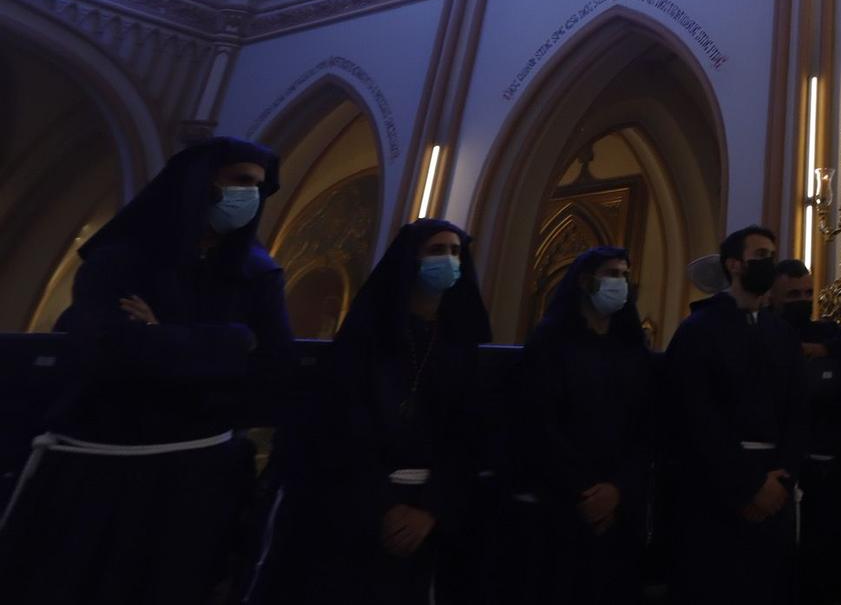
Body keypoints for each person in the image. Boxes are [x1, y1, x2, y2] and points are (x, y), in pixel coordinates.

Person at [0, 137, 292, 605]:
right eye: (241, 181)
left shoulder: (258, 274)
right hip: (98, 468)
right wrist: (233, 341)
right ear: (201, 183)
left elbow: (273, 374)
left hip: (198, 475)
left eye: (259, 186)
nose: (251, 195)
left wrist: (167, 336)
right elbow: (114, 352)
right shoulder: (122, 257)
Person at [255, 218, 492, 604]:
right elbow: (339, 425)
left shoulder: (462, 342)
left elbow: (467, 435)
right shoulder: (369, 336)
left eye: (455, 252)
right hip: (355, 504)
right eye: (436, 250)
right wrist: (381, 507)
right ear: (409, 261)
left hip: (429, 510)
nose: (449, 260)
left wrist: (431, 510)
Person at [658, 224, 804, 605]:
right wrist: (748, 485)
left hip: (775, 488)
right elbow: (696, 416)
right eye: (760, 256)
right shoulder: (698, 330)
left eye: (772, 256)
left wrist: (782, 480)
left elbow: (796, 412)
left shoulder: (782, 334)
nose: (769, 264)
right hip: (716, 493)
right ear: (734, 265)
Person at [504, 246, 651, 605]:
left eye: (625, 275)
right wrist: (583, 490)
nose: (621, 283)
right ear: (586, 282)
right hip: (562, 502)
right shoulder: (551, 342)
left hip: (620, 504)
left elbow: (646, 426)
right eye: (612, 274)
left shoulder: (631, 349)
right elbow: (539, 424)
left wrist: (618, 488)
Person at [773, 258, 841, 603]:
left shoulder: (826, 333)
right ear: (773, 297)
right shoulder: (763, 332)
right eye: (793, 293)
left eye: (808, 292)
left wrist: (822, 349)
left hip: (828, 467)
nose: (803, 299)